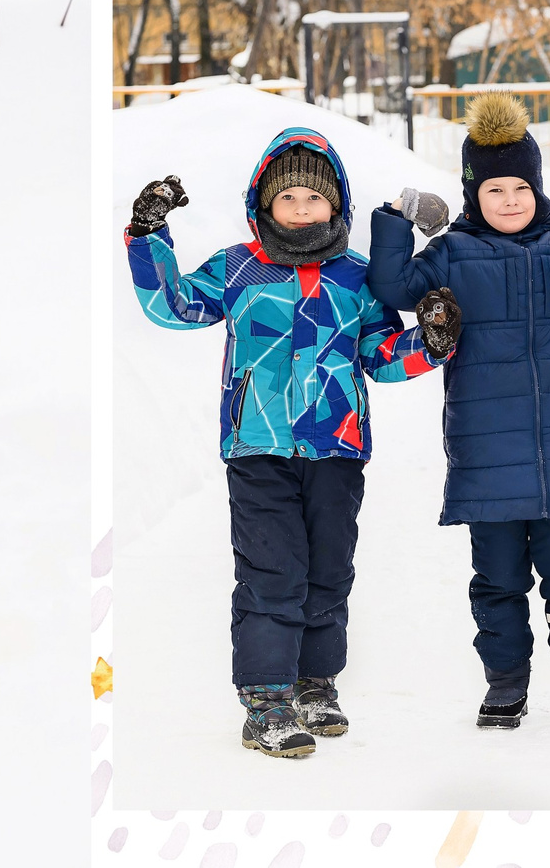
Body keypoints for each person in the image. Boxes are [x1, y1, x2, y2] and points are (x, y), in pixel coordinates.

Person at [124, 131, 457, 757]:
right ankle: (266, 700)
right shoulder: (239, 266)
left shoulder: (356, 279)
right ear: (264, 204)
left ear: (337, 204)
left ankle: (314, 682)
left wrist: (429, 342)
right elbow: (171, 306)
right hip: (258, 448)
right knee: (272, 572)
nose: (302, 208)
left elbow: (380, 357)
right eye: (288, 196)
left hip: (337, 447)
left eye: (315, 196)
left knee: (329, 571)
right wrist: (148, 234)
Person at [366, 96, 550, 728]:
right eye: (496, 190)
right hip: (488, 461)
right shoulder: (452, 258)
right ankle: (505, 684)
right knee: (497, 584)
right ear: (473, 196)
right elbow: (391, 288)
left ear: (539, 188)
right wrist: (398, 216)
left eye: (522, 186)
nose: (512, 200)